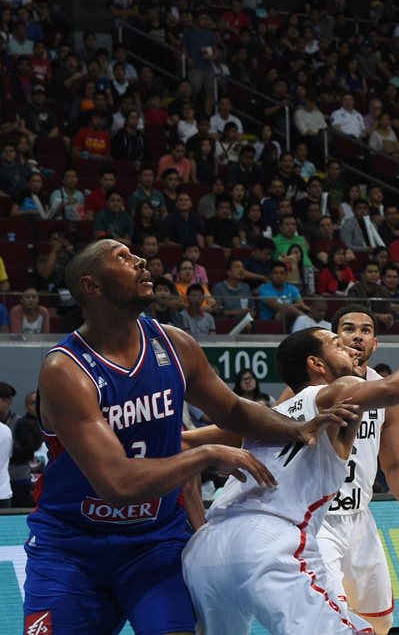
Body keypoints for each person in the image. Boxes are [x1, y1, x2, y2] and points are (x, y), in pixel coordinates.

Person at [22, 239, 355, 634]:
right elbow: (117, 483)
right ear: (92, 286)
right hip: (72, 549)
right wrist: (206, 453)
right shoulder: (66, 370)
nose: (141, 260)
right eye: (123, 258)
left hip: (154, 545)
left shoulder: (174, 344)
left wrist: (293, 427)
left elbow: (233, 410)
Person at [181, 288, 399, 633]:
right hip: (274, 536)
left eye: (361, 334)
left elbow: (182, 444)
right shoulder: (339, 390)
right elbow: (395, 388)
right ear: (316, 365)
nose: (348, 344)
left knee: (376, 620)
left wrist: (199, 514)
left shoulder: (262, 414)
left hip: (208, 548)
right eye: (336, 341)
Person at [274, 304, 399, 635]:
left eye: (366, 330)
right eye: (348, 329)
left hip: (360, 518)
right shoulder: (306, 390)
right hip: (317, 520)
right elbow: (273, 442)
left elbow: (392, 465)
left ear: (374, 344)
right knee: (331, 617)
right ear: (334, 341)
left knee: (381, 622)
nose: (357, 336)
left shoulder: (388, 396)